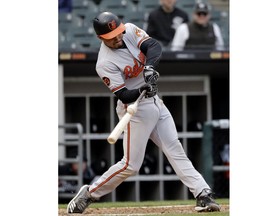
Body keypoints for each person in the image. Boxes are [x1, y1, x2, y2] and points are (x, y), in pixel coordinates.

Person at [67, 11, 220, 214]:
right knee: (131, 165)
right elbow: (123, 94)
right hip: (134, 110)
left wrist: (149, 67)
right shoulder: (104, 63)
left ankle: (203, 194)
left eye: (119, 33)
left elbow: (153, 46)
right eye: (112, 38)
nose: (118, 38)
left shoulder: (129, 30)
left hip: (155, 102)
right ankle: (89, 193)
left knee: (175, 148)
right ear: (100, 39)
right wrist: (141, 89)